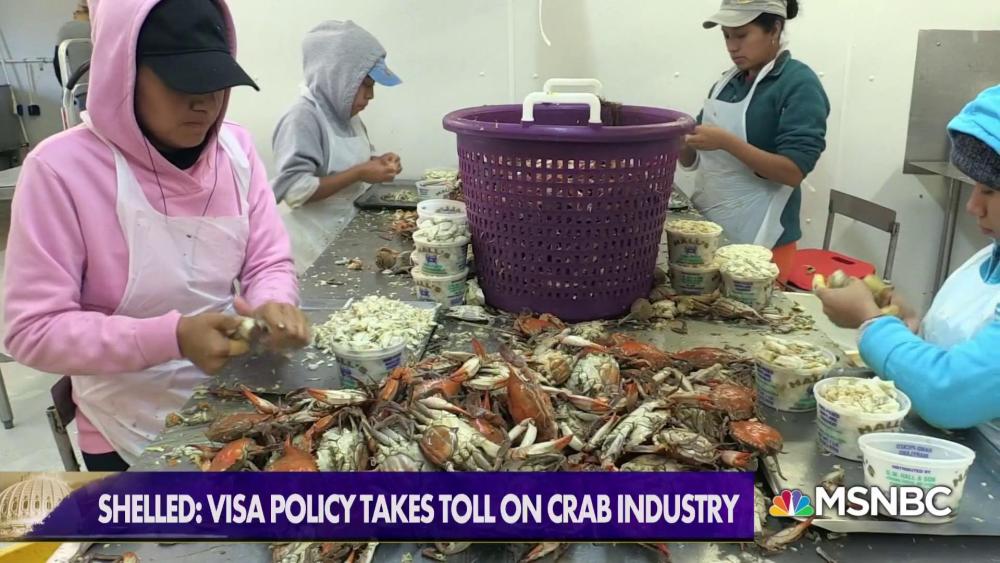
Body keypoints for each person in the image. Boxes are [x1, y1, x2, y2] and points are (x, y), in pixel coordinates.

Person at [3, 0, 309, 471]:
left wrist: (273, 302)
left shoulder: (236, 151)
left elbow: (267, 261)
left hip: (231, 395)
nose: (204, 102)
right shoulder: (61, 170)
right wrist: (174, 337)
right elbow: (32, 330)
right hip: (127, 423)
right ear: (122, 72)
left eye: (216, 81)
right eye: (183, 82)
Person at [816, 85, 1000, 430]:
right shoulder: (988, 259)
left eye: (989, 190)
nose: (973, 206)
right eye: (974, 186)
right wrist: (910, 324)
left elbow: (951, 394)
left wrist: (871, 321)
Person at [680, 0, 829, 283]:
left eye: (741, 35)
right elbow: (695, 156)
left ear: (774, 29)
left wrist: (727, 142)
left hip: (765, 240)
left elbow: (793, 171)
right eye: (726, 36)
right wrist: (679, 141)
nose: (732, 47)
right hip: (712, 228)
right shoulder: (726, 84)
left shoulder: (798, 83)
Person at [272, 20, 403, 273]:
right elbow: (296, 191)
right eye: (366, 85)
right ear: (338, 78)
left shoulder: (347, 115)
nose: (370, 96)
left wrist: (380, 163)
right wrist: (360, 172)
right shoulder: (302, 118)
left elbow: (355, 163)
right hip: (310, 251)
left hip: (343, 238)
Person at [53, 1, 91, 86]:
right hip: (106, 87)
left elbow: (57, 63)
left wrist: (66, 88)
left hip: (79, 88)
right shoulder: (103, 27)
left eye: (77, 12)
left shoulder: (66, 28)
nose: (74, 14)